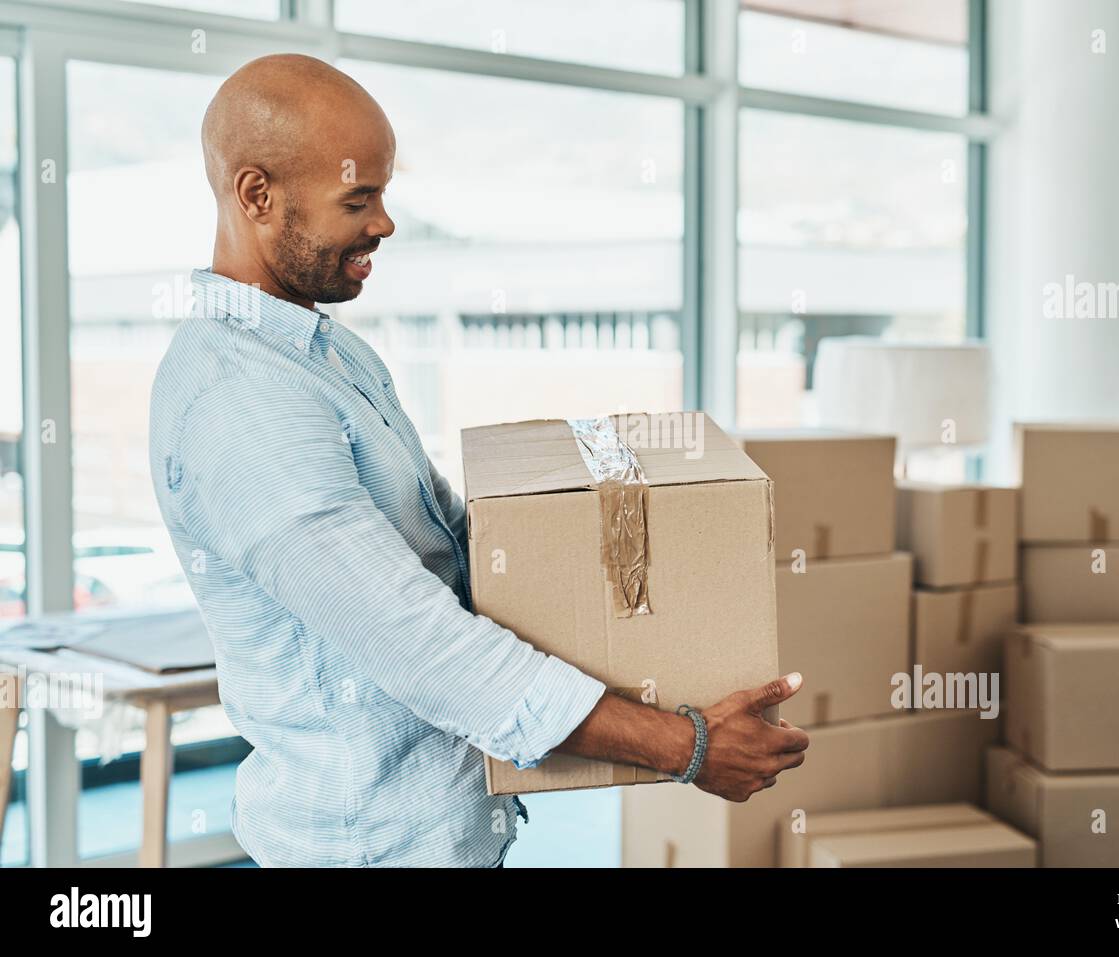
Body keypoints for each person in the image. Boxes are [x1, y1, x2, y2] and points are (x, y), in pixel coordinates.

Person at [149, 54, 809, 868]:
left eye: (384, 195)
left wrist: (646, 590)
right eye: (358, 199)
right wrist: (685, 745)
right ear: (257, 195)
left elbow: (464, 551)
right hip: (368, 851)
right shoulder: (238, 400)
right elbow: (415, 639)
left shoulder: (327, 357)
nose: (384, 224)